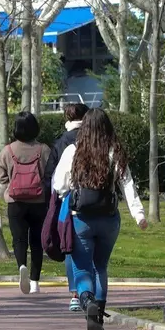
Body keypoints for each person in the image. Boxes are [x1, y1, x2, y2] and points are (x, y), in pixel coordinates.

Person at [53, 108, 147, 330]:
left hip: (81, 219)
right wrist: (139, 215)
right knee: (100, 267)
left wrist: (71, 191)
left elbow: (59, 185)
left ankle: (87, 301)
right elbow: (128, 185)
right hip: (109, 219)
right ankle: (100, 310)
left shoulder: (73, 151)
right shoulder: (114, 152)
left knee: (83, 268)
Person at [0, 111, 52, 295]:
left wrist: (7, 189)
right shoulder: (43, 149)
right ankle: (35, 281)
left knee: (19, 239)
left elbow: (1, 176)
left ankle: (21, 266)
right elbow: (49, 174)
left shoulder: (8, 151)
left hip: (15, 202)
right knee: (37, 241)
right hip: (39, 201)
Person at [53, 103, 88, 311]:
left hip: (70, 200)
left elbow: (56, 177)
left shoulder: (63, 142)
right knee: (96, 256)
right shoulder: (98, 140)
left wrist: (57, 196)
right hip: (100, 202)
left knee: (70, 246)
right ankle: (95, 297)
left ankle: (75, 293)